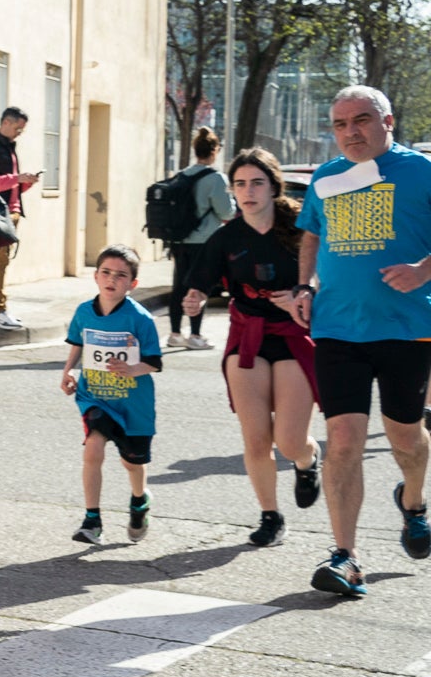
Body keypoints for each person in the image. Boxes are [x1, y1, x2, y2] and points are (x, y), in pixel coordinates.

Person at [291, 85, 431, 598]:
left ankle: (413, 502)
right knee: (344, 443)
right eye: (341, 123)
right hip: (337, 330)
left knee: (406, 441)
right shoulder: (326, 178)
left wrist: (423, 270)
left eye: (363, 120)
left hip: (407, 329)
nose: (351, 131)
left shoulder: (421, 171)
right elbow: (310, 234)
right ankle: (345, 557)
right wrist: (304, 286)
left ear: (388, 121)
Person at [181, 148, 320, 547]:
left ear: (273, 187)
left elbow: (326, 277)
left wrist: (303, 293)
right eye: (239, 184)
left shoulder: (301, 229)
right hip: (248, 339)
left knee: (290, 441)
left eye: (256, 182)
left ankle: (308, 462)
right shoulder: (226, 237)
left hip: (293, 335)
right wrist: (194, 299)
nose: (248, 191)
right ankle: (270, 515)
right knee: (257, 439)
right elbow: (199, 283)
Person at [61, 246, 164, 545]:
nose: (111, 279)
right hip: (95, 395)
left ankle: (139, 500)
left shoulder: (140, 319)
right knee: (93, 448)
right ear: (95, 276)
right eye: (106, 272)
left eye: (121, 275)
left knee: (132, 463)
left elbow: (155, 363)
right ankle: (91, 520)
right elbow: (77, 344)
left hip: (133, 403)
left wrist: (131, 368)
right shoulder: (83, 312)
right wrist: (68, 371)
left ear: (133, 284)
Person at [166, 126, 237, 351]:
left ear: (196, 150)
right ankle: (195, 335)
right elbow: (226, 212)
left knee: (178, 287)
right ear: (214, 150)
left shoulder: (182, 174)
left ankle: (175, 333)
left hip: (179, 240)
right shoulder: (216, 178)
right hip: (204, 241)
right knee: (198, 287)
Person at [0, 107, 38, 330]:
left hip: (11, 212)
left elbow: (11, 185)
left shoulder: (9, 148)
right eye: (18, 127)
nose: (20, 132)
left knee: (1, 262)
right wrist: (16, 178)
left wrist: (25, 182)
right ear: (5, 123)